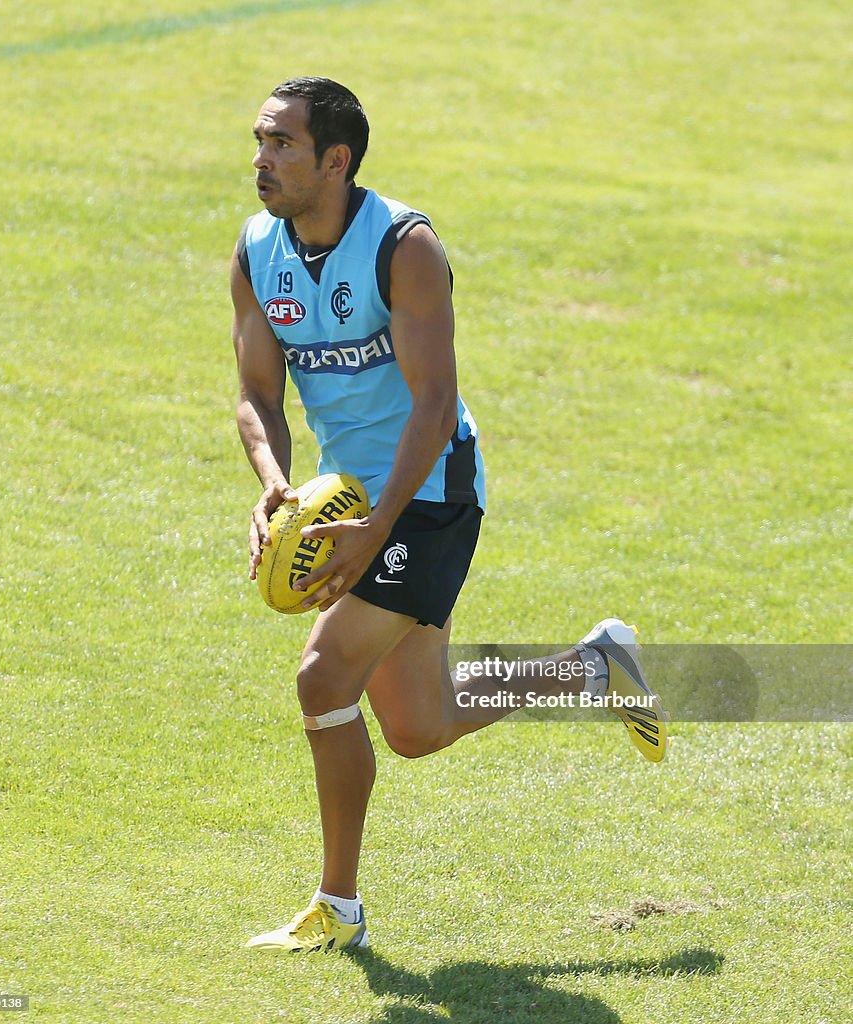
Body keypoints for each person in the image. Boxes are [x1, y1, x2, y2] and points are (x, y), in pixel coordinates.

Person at [231, 77, 667, 954]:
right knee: (418, 726)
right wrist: (275, 483)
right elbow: (254, 393)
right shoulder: (255, 250)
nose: (261, 159)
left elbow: (434, 409)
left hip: (426, 490)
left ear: (335, 159)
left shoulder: (404, 245)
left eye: (281, 143)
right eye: (260, 140)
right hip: (349, 497)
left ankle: (338, 910)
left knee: (322, 681)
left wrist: (375, 528)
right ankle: (593, 665)